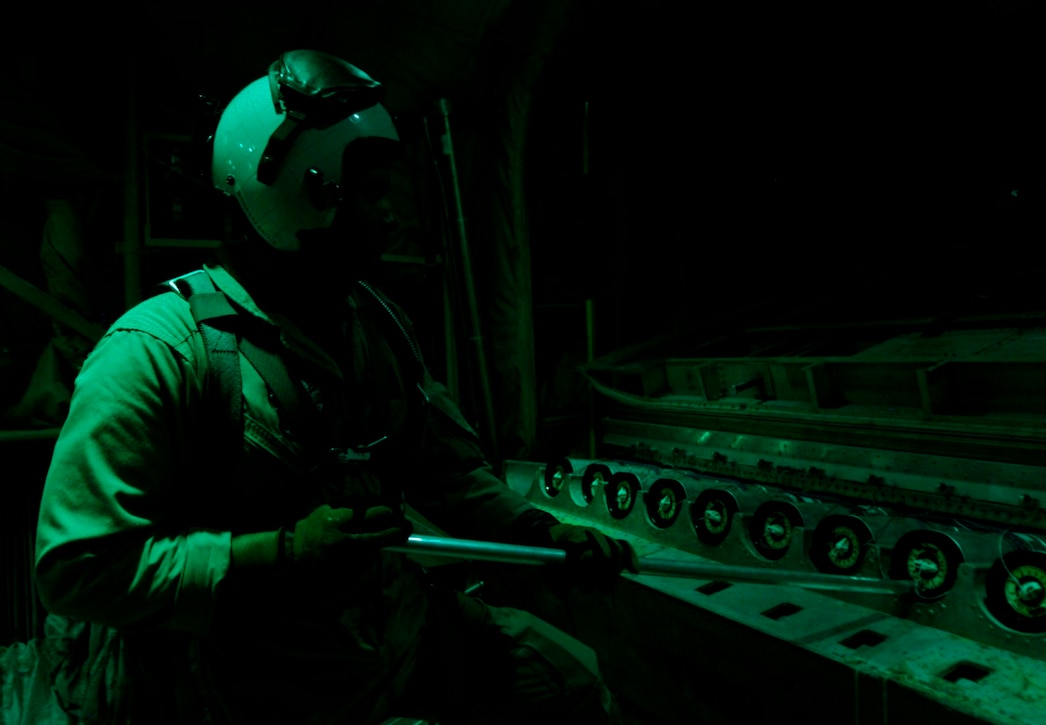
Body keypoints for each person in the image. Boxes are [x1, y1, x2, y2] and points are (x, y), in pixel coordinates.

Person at [34, 49, 637, 724]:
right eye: (370, 192)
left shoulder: (374, 324)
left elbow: (448, 473)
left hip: (384, 637)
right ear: (297, 191)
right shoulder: (158, 353)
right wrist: (280, 553)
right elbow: (74, 568)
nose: (391, 216)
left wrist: (543, 534)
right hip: (241, 682)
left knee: (577, 683)